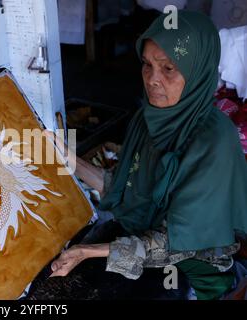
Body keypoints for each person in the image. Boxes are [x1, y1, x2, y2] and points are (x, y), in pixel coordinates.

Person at [27, 10, 247, 300]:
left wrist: (91, 251)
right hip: (142, 236)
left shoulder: (214, 141)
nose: (152, 79)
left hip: (196, 261)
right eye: (147, 64)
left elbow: (181, 242)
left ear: (198, 71)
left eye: (169, 68)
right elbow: (124, 187)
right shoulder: (149, 120)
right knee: (50, 283)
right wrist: (69, 160)